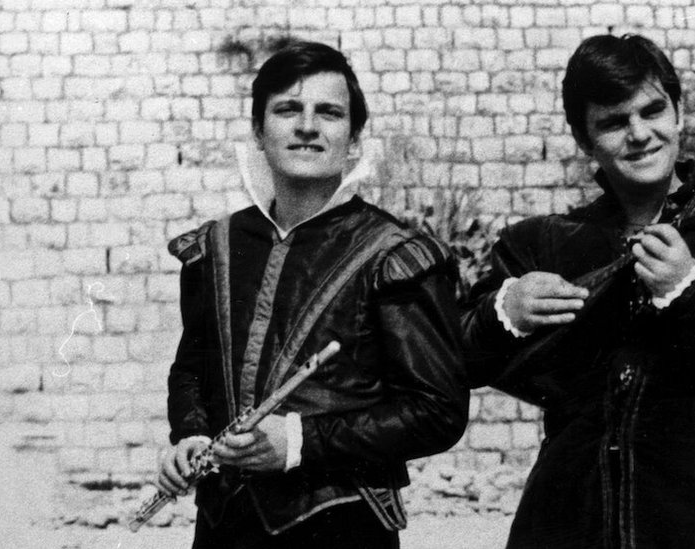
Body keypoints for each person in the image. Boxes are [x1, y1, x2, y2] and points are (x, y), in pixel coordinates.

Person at [461, 34, 695, 549]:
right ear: (583, 138)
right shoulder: (543, 245)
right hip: (565, 528)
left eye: (653, 111)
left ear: (679, 113)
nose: (640, 134)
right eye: (613, 122)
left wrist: (690, 291)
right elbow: (458, 358)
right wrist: (505, 311)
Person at [157, 41, 468, 549]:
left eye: (329, 112)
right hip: (223, 529)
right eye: (287, 110)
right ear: (258, 131)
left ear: (353, 137)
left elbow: (436, 412)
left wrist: (298, 442)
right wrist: (190, 434)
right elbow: (193, 367)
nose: (307, 126)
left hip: (341, 529)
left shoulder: (393, 253)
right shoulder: (216, 245)